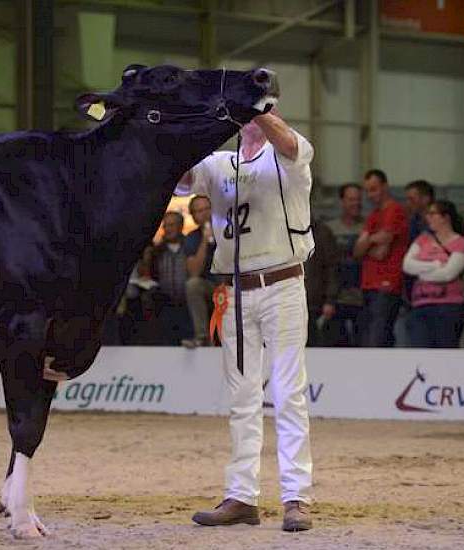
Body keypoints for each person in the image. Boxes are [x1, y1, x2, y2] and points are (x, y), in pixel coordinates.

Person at [177, 110, 314, 532]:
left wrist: (260, 108)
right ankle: (241, 496)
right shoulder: (220, 162)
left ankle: (296, 498)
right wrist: (198, 124)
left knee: (288, 392)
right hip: (235, 291)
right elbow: (181, 180)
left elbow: (288, 143)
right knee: (242, 398)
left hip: (284, 284)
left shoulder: (289, 151)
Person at [403, 200, 464, 348]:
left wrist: (421, 272)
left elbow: (448, 274)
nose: (428, 217)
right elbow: (407, 265)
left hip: (448, 306)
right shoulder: (422, 239)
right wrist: (435, 265)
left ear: (445, 217)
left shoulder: (461, 243)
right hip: (421, 304)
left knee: (445, 350)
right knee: (420, 351)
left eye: (433, 214)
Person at [353, 170, 408, 347]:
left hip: (387, 283)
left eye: (374, 189)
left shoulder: (395, 211)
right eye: (368, 190)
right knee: (368, 337)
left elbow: (381, 252)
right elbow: (357, 252)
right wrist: (373, 240)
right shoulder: (373, 216)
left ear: (385, 187)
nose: (371, 195)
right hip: (369, 283)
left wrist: (367, 240)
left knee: (378, 337)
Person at [142, 211, 192, 345]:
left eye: (171, 225)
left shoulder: (190, 246)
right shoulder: (156, 250)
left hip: (188, 306)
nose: (168, 229)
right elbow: (148, 276)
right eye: (165, 226)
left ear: (181, 226)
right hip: (165, 306)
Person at [327, 183, 364, 346]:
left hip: (362, 297)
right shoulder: (329, 229)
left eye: (358, 199)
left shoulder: (368, 226)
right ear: (342, 201)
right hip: (337, 298)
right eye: (351, 199)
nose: (355, 203)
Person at [183, 195, 217, 347]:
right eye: (199, 211)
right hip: (210, 287)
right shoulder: (191, 238)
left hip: (234, 286)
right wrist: (204, 239)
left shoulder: (230, 230)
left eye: (207, 209)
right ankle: (202, 337)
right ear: (194, 216)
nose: (204, 214)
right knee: (192, 284)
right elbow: (194, 272)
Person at [304, 218, 338, 346]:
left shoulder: (321, 232)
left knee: (315, 345)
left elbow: (332, 268)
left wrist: (330, 299)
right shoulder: (281, 230)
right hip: (289, 301)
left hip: (315, 302)